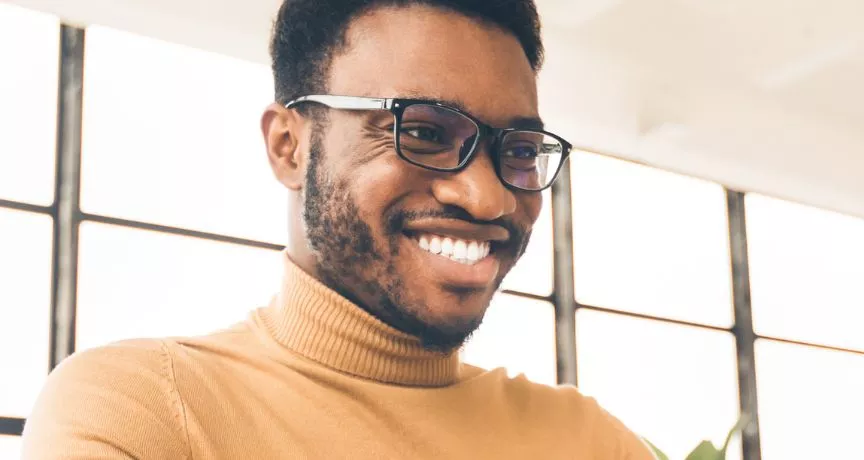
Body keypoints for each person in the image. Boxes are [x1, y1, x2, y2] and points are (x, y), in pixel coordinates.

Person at [22, 0, 655, 458]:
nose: (488, 199)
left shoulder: (590, 440)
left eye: (516, 150)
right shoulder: (145, 412)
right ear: (289, 146)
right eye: (424, 133)